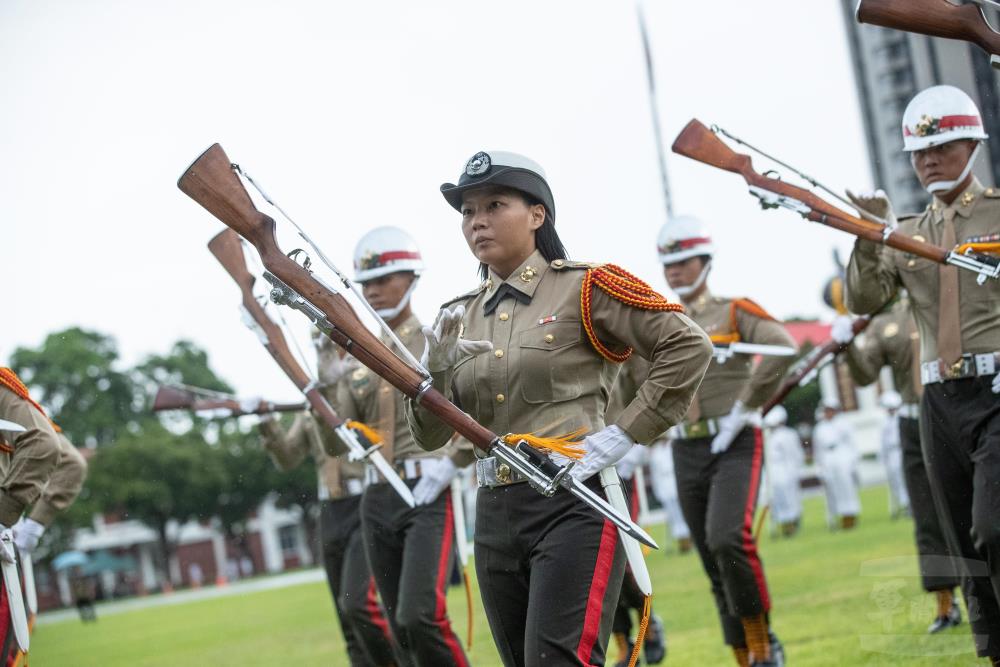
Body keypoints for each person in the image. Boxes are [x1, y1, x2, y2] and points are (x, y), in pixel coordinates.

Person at [406, 150, 712, 667]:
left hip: (575, 501)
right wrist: (433, 375)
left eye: (494, 204)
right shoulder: (455, 315)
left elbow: (688, 346)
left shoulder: (587, 286)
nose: (476, 220)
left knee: (558, 660)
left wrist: (622, 435)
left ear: (537, 214)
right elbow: (431, 438)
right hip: (495, 510)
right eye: (467, 211)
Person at [845, 84, 1000, 660]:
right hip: (937, 398)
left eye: (942, 146)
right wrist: (867, 233)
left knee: (994, 524)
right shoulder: (905, 231)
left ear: (972, 145)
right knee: (964, 542)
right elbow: (864, 300)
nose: (929, 159)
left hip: (997, 390)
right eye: (919, 151)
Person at [657, 215, 795, 667]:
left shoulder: (733, 311)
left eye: (684, 260)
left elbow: (781, 346)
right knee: (710, 557)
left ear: (705, 262)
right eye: (668, 263)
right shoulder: (659, 320)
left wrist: (748, 405)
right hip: (685, 445)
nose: (675, 271)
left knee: (727, 538)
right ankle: (742, 655)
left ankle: (763, 642)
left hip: (734, 439)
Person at [338, 226, 472, 667]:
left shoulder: (437, 337)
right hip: (376, 493)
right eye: (366, 283)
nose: (373, 290)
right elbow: (335, 437)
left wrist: (451, 463)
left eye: (383, 279)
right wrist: (326, 385)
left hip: (427, 491)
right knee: (391, 623)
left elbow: (471, 411)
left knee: (420, 616)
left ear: (411, 277)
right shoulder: (359, 349)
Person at [258, 335, 396, 667]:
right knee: (344, 616)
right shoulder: (313, 404)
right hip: (330, 510)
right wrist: (267, 425)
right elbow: (288, 457)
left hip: (363, 501)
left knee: (358, 603)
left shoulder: (363, 392)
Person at [832, 295, 962, 633]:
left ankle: (989, 592)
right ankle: (945, 604)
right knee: (926, 514)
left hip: (956, 413)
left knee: (973, 505)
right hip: (913, 421)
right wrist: (848, 346)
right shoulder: (884, 318)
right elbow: (864, 376)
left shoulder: (945, 294)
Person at [811, 401, 860, 530]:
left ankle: (850, 514)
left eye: (830, 410)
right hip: (828, 457)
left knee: (846, 487)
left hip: (842, 455)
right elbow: (817, 449)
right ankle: (837, 516)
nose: (828, 413)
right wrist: (819, 467)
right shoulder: (819, 428)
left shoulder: (843, 424)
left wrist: (853, 462)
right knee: (832, 489)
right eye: (826, 410)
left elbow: (852, 443)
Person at [761, 407, 804, 538]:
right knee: (775, 500)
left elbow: (793, 455)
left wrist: (794, 472)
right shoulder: (766, 435)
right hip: (771, 472)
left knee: (789, 498)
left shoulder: (788, 434)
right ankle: (783, 525)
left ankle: (792, 523)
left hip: (785, 470)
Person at [648, 439, 692, 553]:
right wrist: (658, 491)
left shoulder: (674, 446)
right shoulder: (655, 451)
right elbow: (655, 473)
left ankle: (690, 540)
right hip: (664, 487)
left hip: (677, 483)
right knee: (674, 517)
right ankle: (682, 542)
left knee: (685, 514)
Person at [876, 391, 911, 518]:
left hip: (902, 450)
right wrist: (882, 458)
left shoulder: (901, 418)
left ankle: (909, 503)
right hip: (892, 454)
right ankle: (905, 503)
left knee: (906, 478)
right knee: (896, 480)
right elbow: (882, 443)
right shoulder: (884, 422)